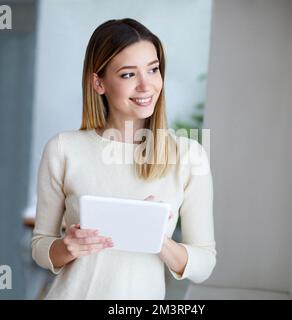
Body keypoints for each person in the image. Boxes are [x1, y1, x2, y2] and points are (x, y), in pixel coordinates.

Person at [31, 18, 216, 300]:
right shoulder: (63, 149)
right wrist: (66, 248)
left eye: (153, 70)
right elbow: (40, 246)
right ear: (99, 83)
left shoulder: (189, 157)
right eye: (129, 75)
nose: (146, 85)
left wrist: (158, 240)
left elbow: (204, 264)